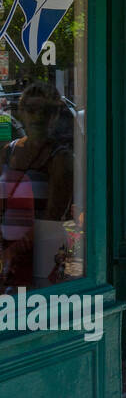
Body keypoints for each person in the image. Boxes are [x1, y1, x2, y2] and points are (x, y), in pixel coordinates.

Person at [0, 82, 74, 291]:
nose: (38, 117)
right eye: (31, 110)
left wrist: (11, 252)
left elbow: (51, 218)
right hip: (7, 257)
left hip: (41, 257)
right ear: (22, 112)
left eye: (46, 111)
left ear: (55, 115)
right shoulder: (7, 152)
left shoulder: (60, 159)